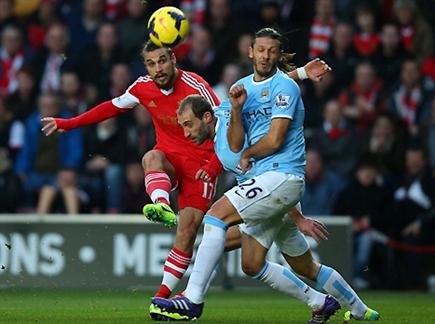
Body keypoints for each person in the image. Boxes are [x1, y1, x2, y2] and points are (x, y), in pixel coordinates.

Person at [41, 38, 332, 300]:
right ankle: (160, 205)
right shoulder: (141, 87)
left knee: (189, 232)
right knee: (150, 158)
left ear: (174, 60)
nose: (158, 68)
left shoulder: (196, 87)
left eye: (162, 61)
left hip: (201, 164)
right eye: (151, 63)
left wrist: (215, 165)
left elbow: (223, 122)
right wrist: (67, 124)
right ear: (146, 66)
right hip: (170, 158)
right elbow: (111, 107)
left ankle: (163, 294)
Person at [151, 28, 379, 323]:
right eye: (182, 127)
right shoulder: (228, 108)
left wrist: (301, 75)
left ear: (205, 117)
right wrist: (296, 217)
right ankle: (350, 309)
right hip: (271, 191)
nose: (186, 132)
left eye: (188, 125)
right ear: (250, 52)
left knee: (215, 218)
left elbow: (272, 108)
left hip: (278, 178)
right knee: (264, 264)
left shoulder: (241, 112)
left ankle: (192, 300)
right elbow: (258, 94)